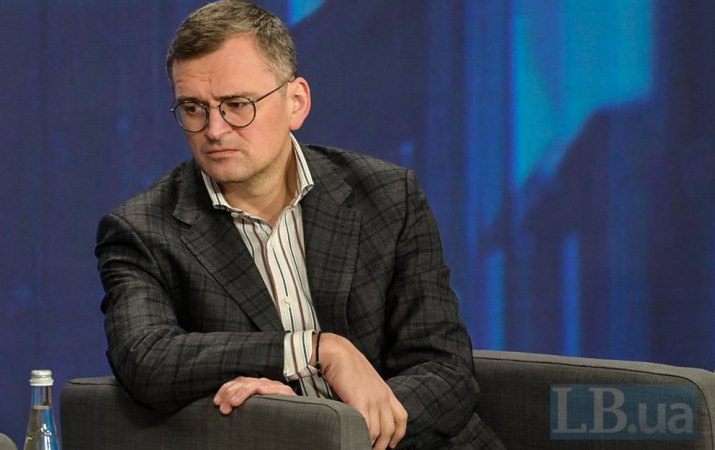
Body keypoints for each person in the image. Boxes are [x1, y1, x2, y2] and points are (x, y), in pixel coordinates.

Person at [95, 1, 504, 449]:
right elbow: (146, 357)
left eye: (237, 105)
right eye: (193, 108)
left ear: (296, 103)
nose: (214, 130)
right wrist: (315, 350)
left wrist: (326, 425)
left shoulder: (387, 195)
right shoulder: (143, 230)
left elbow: (446, 370)